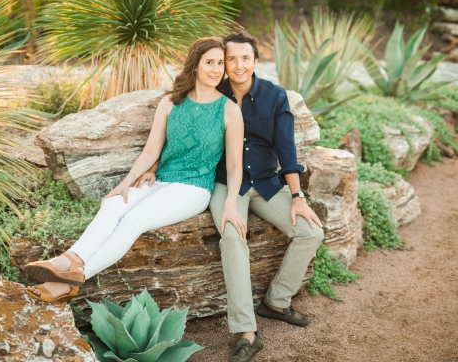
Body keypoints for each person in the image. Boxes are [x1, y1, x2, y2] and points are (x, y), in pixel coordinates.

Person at [24, 37, 245, 303]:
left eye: (220, 63)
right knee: (114, 204)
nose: (216, 69)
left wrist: (230, 203)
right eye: (210, 62)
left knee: (133, 221)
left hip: (194, 189)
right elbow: (151, 151)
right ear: (195, 65)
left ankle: (74, 277)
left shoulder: (229, 110)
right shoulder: (171, 103)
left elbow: (234, 165)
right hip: (161, 180)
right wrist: (127, 182)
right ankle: (70, 259)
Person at [209, 33, 325, 362]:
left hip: (267, 181)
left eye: (245, 58)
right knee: (232, 235)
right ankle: (247, 332)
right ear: (225, 62)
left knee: (311, 231)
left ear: (255, 62)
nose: (238, 65)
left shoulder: (275, 96)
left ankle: (276, 302)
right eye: (231, 59)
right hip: (226, 183)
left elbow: (287, 148)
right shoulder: (213, 94)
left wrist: (297, 195)